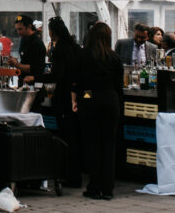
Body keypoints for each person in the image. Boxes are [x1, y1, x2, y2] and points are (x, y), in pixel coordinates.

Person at [26, 16, 82, 188]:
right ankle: (75, 175)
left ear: (53, 31)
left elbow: (56, 74)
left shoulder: (59, 49)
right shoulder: (75, 47)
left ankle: (68, 175)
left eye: (49, 30)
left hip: (63, 96)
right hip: (76, 95)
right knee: (74, 136)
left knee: (64, 136)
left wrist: (35, 77)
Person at [73, 21, 123, 200]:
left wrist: (84, 99)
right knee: (109, 146)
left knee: (92, 145)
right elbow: (118, 86)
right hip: (110, 100)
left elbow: (80, 83)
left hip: (91, 99)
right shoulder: (114, 57)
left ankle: (94, 187)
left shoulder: (84, 55)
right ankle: (108, 189)